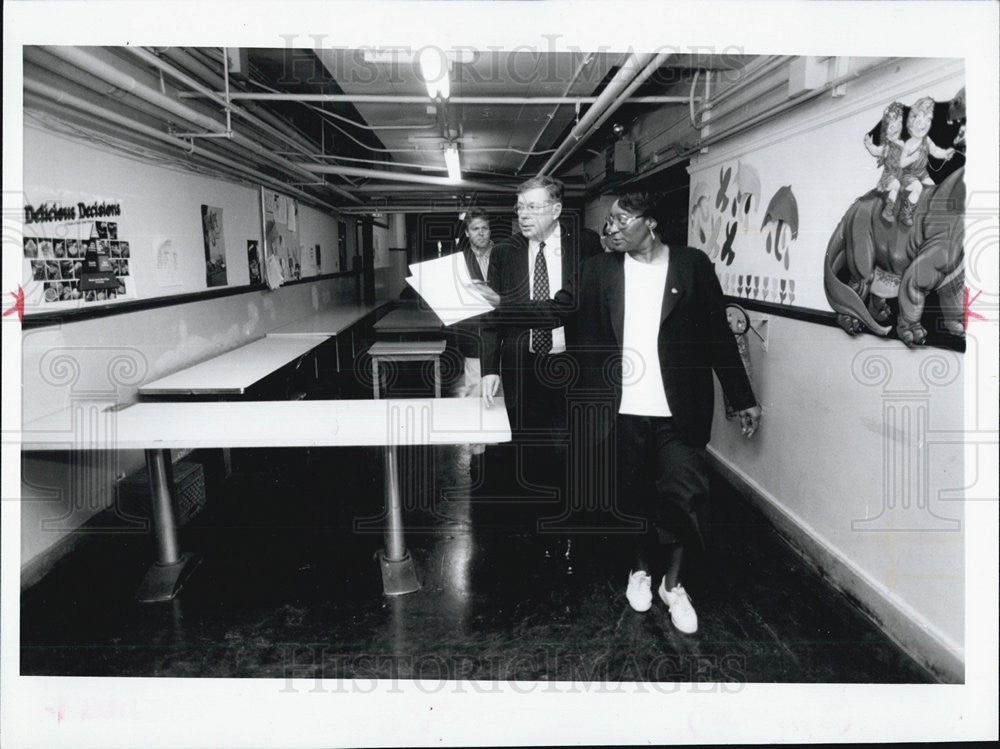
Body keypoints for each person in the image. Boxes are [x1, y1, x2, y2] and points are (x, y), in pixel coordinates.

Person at [476, 191, 760, 634]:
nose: (608, 230)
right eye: (607, 222)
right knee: (634, 497)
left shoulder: (692, 265)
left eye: (620, 220)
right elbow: (554, 310)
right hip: (622, 409)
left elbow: (716, 337)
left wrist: (742, 396)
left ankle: (674, 584)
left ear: (650, 223)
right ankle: (641, 571)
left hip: (678, 408)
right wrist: (500, 305)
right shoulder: (598, 270)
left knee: (683, 496)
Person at [479, 176, 602, 528]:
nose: (523, 215)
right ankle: (536, 518)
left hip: (573, 361)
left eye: (532, 207)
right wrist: (490, 367)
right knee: (528, 444)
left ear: (556, 209)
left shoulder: (585, 245)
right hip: (523, 363)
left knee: (574, 442)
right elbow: (491, 316)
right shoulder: (505, 253)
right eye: (520, 207)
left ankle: (573, 516)